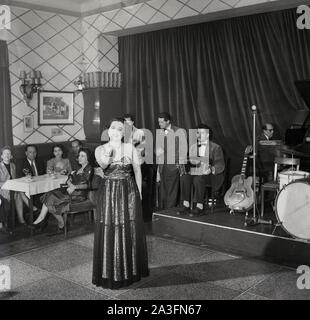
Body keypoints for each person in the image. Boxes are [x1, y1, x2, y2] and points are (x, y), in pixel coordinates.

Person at [92, 118, 149, 289]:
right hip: (109, 192)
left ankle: (130, 271)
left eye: (120, 129)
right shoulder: (100, 149)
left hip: (129, 190)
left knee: (130, 227)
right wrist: (110, 150)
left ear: (124, 132)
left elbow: (137, 170)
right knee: (111, 227)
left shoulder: (130, 147)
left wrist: (138, 193)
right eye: (113, 128)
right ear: (108, 131)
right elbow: (103, 164)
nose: (116, 131)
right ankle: (110, 273)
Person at [30, 148, 94, 232]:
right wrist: (71, 184)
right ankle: (45, 220)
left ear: (88, 158)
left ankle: (45, 221)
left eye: (83, 156)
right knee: (49, 194)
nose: (80, 158)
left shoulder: (89, 169)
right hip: (70, 192)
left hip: (78, 195)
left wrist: (75, 187)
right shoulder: (78, 169)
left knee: (51, 197)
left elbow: (87, 185)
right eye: (79, 156)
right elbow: (68, 180)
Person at [179, 124, 225, 216]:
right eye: (198, 133)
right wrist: (184, 166)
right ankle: (186, 205)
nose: (199, 135)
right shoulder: (193, 147)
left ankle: (200, 207)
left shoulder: (216, 147)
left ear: (207, 135)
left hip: (211, 176)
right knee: (185, 177)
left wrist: (211, 169)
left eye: (202, 133)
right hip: (197, 172)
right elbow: (191, 163)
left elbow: (220, 164)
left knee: (198, 179)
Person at [156, 112, 185, 209]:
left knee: (172, 190)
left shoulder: (179, 131)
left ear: (168, 121)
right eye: (159, 122)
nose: (159, 124)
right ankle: (163, 211)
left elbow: (183, 150)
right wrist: (157, 151)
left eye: (161, 122)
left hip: (173, 165)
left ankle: (169, 212)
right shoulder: (160, 132)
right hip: (162, 166)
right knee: (163, 190)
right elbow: (157, 148)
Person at [0, 146, 27, 230]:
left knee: (19, 195)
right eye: (5, 154)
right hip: (3, 190)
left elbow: (14, 179)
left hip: (12, 189)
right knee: (18, 193)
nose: (7, 155)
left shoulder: (13, 165)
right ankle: (6, 223)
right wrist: (9, 184)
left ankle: (21, 219)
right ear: (1, 156)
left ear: (11, 155)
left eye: (9, 153)